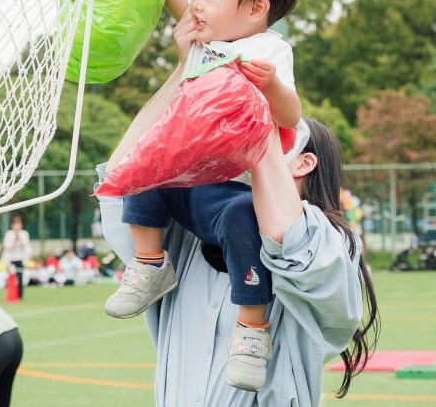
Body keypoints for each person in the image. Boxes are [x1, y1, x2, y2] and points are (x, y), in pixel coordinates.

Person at [104, 0, 304, 391]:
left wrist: (272, 86)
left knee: (242, 219)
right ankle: (151, 265)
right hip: (182, 181)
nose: (196, 3)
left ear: (257, 8)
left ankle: (252, 331)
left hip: (228, 189)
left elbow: (291, 115)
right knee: (146, 164)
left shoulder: (267, 50)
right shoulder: (201, 37)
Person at [98, 115, 378, 405]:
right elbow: (128, 171)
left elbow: (285, 232)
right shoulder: (185, 239)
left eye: (268, 140)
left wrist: (263, 107)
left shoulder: (326, 244)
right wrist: (183, 75)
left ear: (303, 163)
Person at [0, 214, 32, 300]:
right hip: (11, 260)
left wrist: (20, 238)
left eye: (18, 224)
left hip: (21, 260)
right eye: (15, 224)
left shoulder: (24, 234)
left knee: (20, 278)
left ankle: (20, 295)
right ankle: (11, 294)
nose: (17, 226)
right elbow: (7, 246)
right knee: (11, 277)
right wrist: (14, 238)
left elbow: (27, 246)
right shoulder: (9, 234)